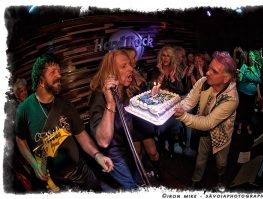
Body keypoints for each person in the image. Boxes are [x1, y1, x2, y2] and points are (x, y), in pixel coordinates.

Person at [15, 53, 114, 192]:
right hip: (56, 182)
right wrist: (34, 165)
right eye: (53, 72)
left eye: (59, 72)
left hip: (82, 172)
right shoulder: (24, 109)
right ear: (41, 80)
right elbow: (20, 140)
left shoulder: (65, 105)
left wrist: (98, 155)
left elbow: (82, 135)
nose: (59, 76)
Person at [174, 51, 239, 191]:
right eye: (209, 68)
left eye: (213, 71)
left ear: (226, 78)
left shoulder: (231, 98)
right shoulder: (203, 82)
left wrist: (183, 117)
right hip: (204, 132)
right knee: (200, 159)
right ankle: (195, 181)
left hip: (222, 135)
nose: (207, 72)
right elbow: (189, 102)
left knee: (221, 163)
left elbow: (208, 122)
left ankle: (221, 179)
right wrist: (176, 107)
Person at [89, 49, 142, 190]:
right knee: (131, 188)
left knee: (138, 181)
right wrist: (110, 103)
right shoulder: (99, 97)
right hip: (115, 157)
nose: (131, 68)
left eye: (130, 64)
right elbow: (103, 141)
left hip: (129, 151)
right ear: (111, 73)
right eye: (124, 66)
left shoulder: (125, 90)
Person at [123, 47, 161, 180]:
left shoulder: (138, 73)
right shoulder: (124, 78)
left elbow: (144, 97)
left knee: (152, 151)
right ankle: (141, 177)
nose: (136, 59)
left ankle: (158, 172)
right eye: (133, 57)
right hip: (132, 123)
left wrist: (152, 94)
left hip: (143, 121)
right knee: (137, 152)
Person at [153, 46, 184, 156]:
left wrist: (172, 78)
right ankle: (161, 150)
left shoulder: (176, 70)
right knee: (161, 130)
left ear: (172, 58)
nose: (166, 58)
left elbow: (180, 90)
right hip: (160, 106)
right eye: (164, 55)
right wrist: (161, 75)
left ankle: (171, 149)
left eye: (168, 56)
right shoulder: (156, 70)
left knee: (172, 130)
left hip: (172, 106)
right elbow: (153, 91)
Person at [236, 48, 263, 135]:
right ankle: (240, 126)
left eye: (252, 56)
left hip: (252, 95)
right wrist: (239, 76)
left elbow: (257, 83)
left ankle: (248, 126)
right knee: (241, 110)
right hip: (243, 93)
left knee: (249, 111)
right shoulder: (244, 66)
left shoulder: (257, 69)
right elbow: (240, 79)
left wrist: (259, 94)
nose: (250, 57)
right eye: (249, 56)